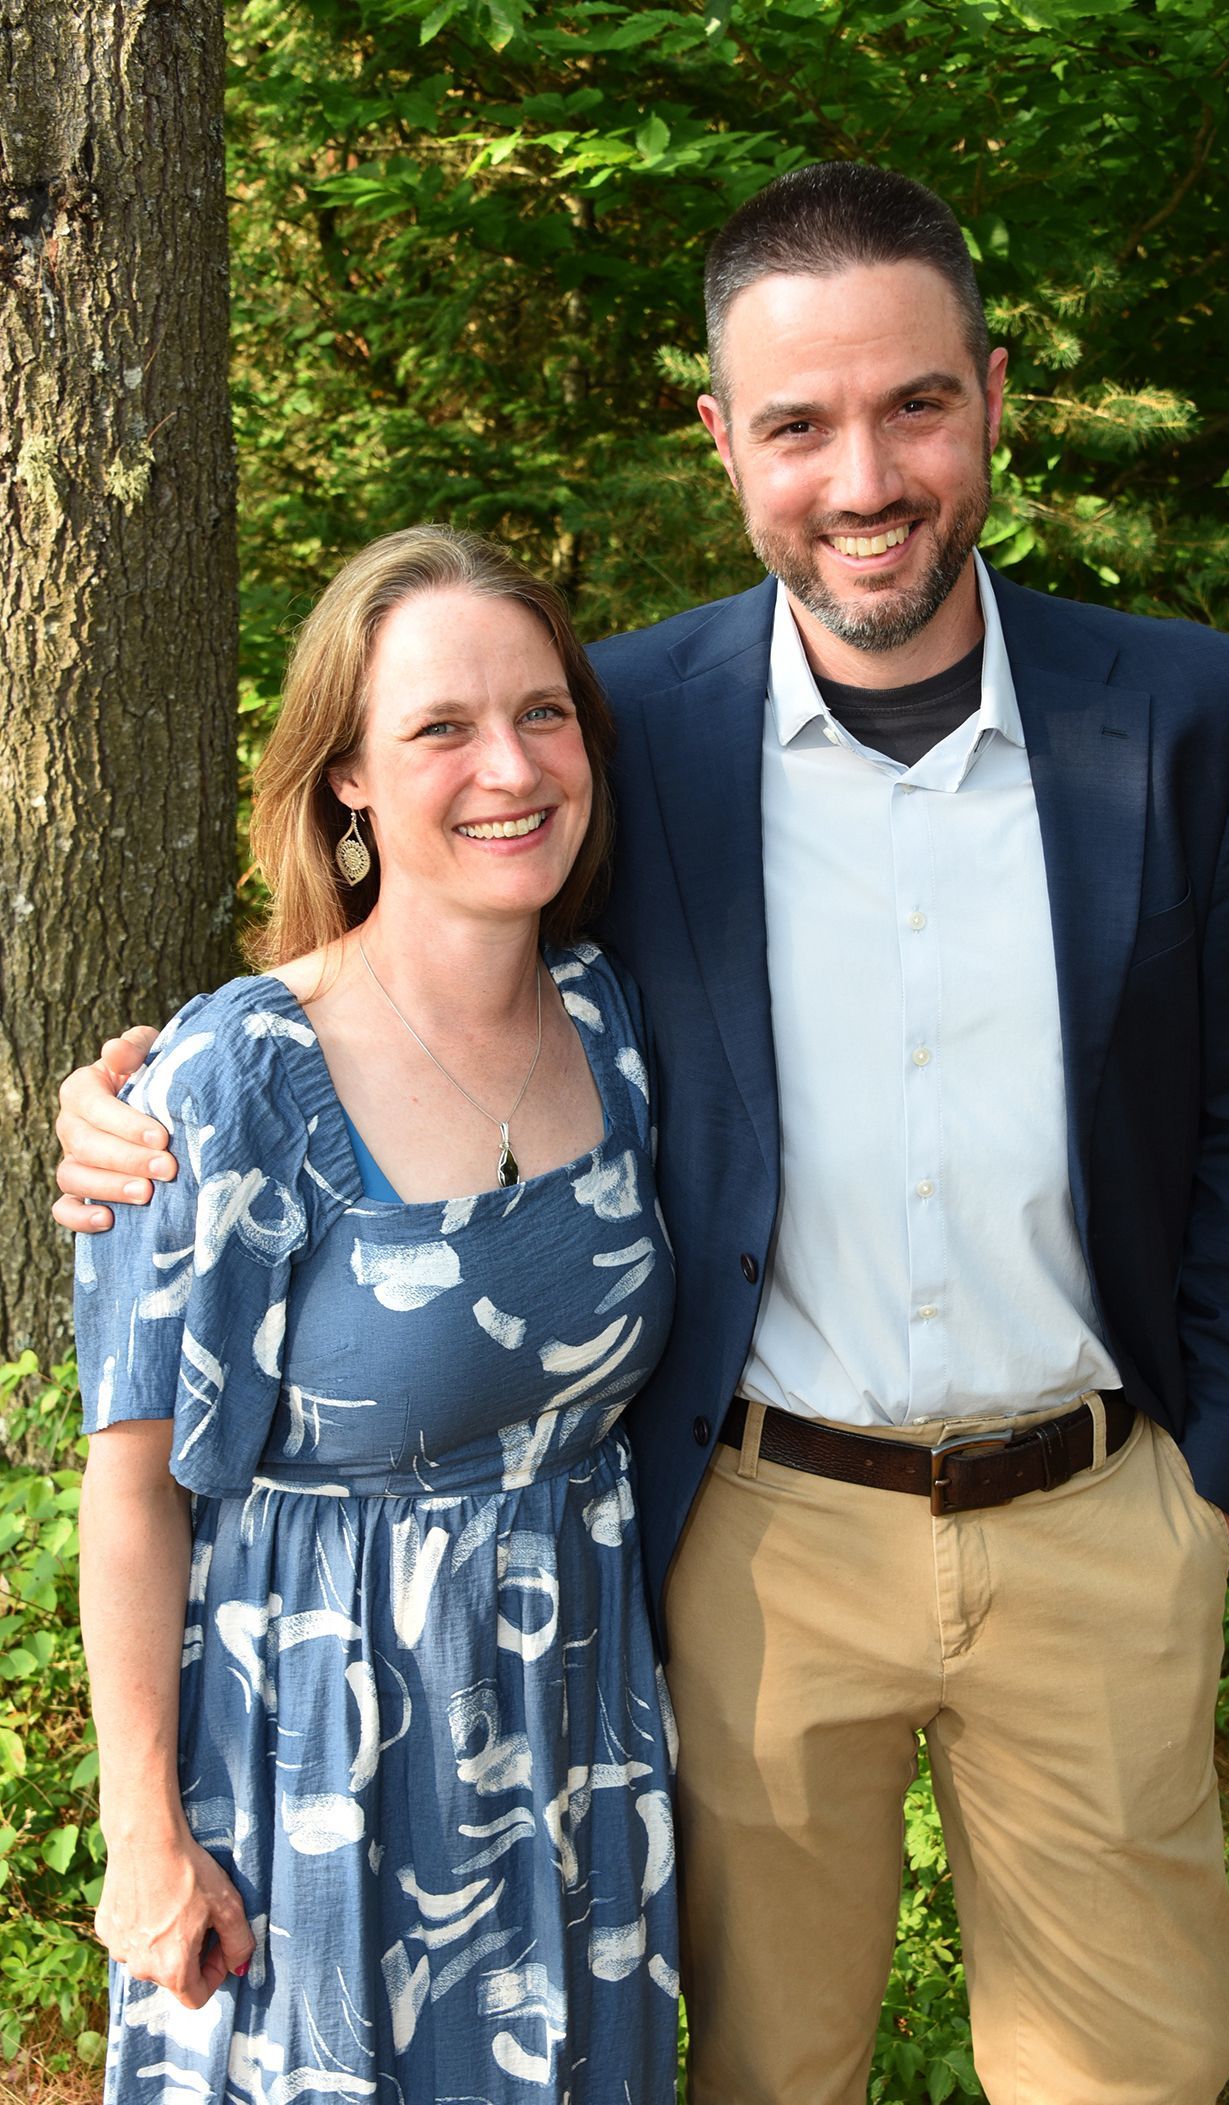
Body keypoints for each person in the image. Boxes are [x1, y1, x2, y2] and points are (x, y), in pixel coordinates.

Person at [58, 164, 1229, 2104]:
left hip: (1098, 1516)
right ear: (724, 442)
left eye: (915, 404)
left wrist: (1210, 1469)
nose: (865, 475)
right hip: (753, 1534)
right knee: (753, 2066)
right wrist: (141, 1093)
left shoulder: (1180, 715)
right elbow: (412, 930)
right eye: (801, 423)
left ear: (993, 396)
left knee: (1136, 2073)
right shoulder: (636, 721)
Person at [68, 527, 679, 2103]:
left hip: (570, 1749)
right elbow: (132, 1488)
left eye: (544, 714)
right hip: (317, 1769)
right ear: (345, 775)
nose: (510, 766)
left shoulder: (614, 1024)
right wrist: (145, 1833)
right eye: (441, 728)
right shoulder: (234, 1076)